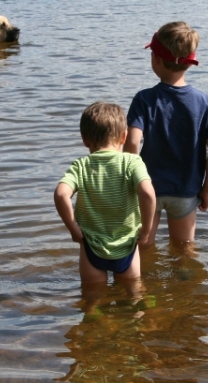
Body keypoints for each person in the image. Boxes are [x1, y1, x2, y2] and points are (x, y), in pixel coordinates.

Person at [124, 21, 208, 247]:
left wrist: (130, 182)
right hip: (186, 190)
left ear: (156, 59)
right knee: (184, 248)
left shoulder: (144, 99)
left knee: (143, 244)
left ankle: (142, 282)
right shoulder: (204, 102)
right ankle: (187, 282)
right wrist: (207, 190)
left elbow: (132, 142)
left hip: (149, 188)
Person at [54, 102, 156, 284]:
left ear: (84, 139)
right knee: (133, 296)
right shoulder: (132, 162)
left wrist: (73, 229)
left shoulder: (81, 165)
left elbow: (61, 194)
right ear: (124, 137)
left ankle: (94, 311)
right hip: (127, 245)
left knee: (92, 298)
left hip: (91, 246)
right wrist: (146, 231)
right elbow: (147, 194)